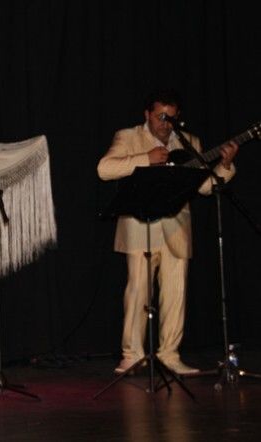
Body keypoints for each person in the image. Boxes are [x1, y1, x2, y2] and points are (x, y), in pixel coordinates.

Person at [97, 89, 239, 375]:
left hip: (177, 229)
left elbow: (205, 187)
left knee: (176, 294)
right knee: (138, 292)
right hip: (140, 226)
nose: (165, 123)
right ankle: (132, 355)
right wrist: (145, 158)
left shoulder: (189, 142)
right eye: (160, 116)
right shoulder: (128, 136)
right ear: (147, 114)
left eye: (171, 118)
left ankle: (170, 355)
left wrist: (224, 166)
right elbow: (104, 169)